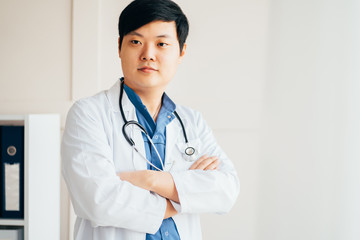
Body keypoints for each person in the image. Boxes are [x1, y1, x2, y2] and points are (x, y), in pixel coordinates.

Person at [61, 0, 240, 239]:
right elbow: (99, 200)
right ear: (119, 47)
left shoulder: (191, 121)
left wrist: (150, 179)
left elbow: (226, 190)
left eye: (161, 44)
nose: (148, 54)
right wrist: (184, 196)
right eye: (136, 42)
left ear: (181, 52)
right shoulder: (88, 114)